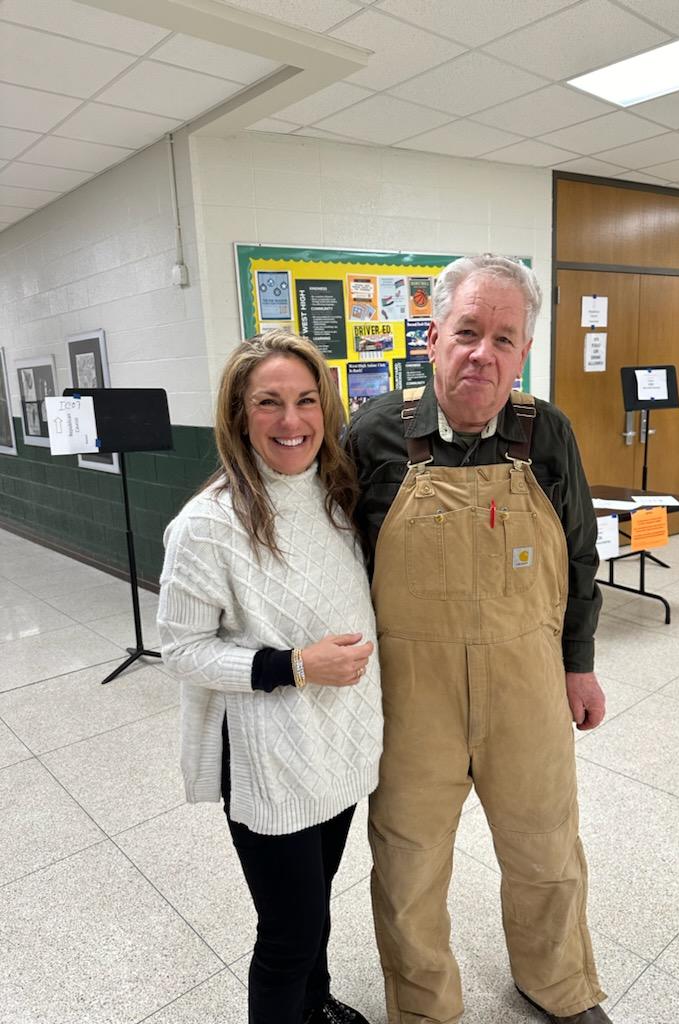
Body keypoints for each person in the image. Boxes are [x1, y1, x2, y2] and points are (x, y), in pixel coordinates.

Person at [347, 255, 611, 1024]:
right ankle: (425, 1008)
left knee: (546, 850)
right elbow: (332, 560)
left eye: (504, 338)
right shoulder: (373, 435)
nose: (481, 354)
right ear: (433, 337)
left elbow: (582, 556)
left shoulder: (547, 433)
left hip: (527, 683)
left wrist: (580, 666)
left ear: (523, 350)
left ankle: (556, 983)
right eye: (467, 331)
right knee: (407, 863)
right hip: (410, 693)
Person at [158, 330, 383, 1024]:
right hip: (269, 762)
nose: (292, 421)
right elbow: (183, 650)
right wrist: (293, 666)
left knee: (315, 911)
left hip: (337, 746)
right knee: (287, 934)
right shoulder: (206, 526)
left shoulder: (337, 498)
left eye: (306, 401)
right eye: (269, 403)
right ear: (237, 416)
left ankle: (313, 1008)